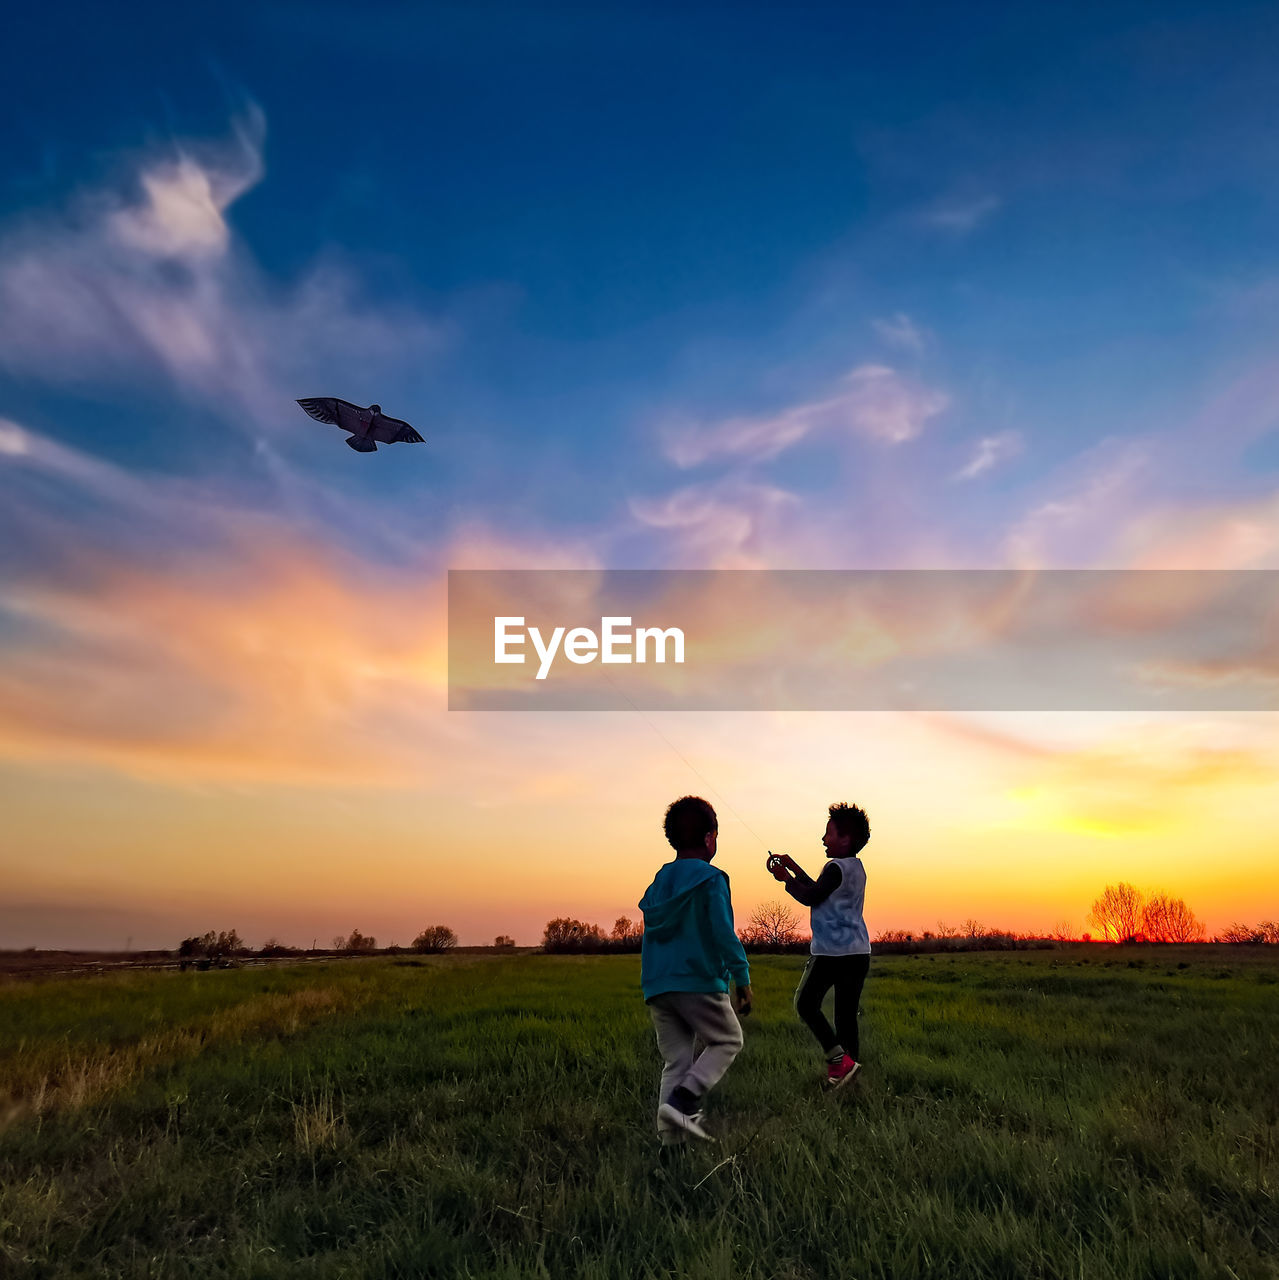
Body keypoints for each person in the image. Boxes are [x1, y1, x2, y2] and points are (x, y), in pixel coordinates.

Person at [639, 796, 753, 1144]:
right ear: (709, 838)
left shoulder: (660, 881)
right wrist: (742, 978)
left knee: (676, 1063)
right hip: (699, 981)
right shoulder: (711, 879)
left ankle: (669, 1148)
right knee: (728, 1039)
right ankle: (685, 1100)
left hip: (658, 987)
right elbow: (722, 932)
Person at [768, 802, 871, 1089]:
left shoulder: (834, 867)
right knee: (846, 1018)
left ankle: (837, 1059)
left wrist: (786, 878)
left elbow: (812, 896)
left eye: (829, 834)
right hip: (858, 953)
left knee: (805, 1004)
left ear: (845, 839)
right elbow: (820, 889)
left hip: (831, 954)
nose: (823, 839)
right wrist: (794, 866)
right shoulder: (855, 868)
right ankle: (848, 1077)